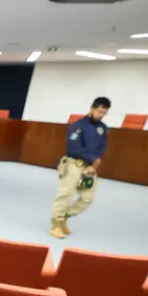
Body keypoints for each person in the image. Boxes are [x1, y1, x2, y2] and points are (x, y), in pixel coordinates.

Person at [51, 97, 110, 239]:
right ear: (92, 109)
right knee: (65, 195)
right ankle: (56, 224)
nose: (101, 115)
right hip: (73, 164)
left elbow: (102, 147)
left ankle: (65, 216)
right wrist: (92, 159)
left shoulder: (103, 128)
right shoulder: (77, 126)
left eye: (104, 113)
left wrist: (94, 164)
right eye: (99, 112)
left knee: (87, 197)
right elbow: (73, 148)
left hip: (90, 167)